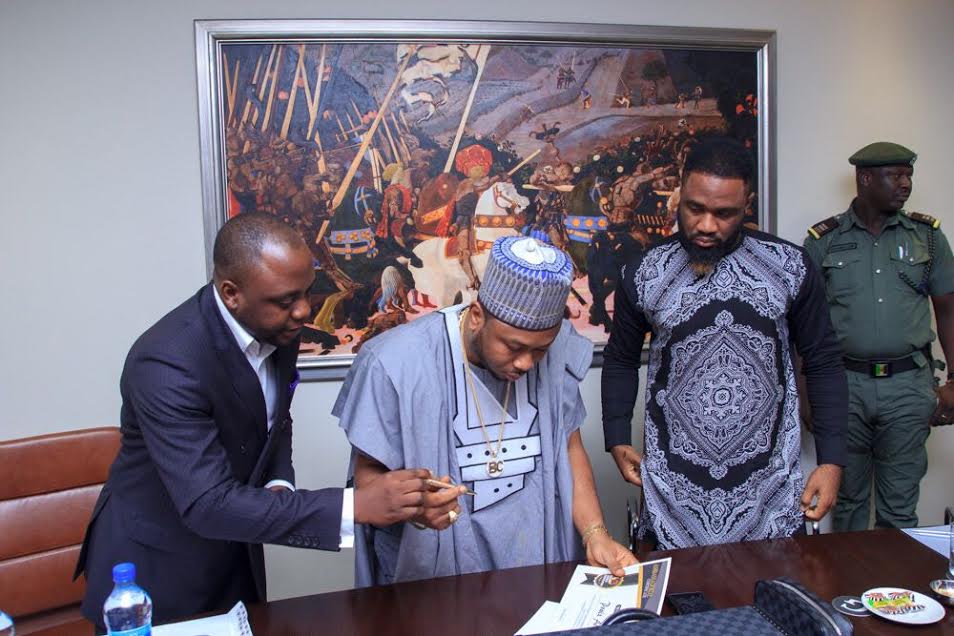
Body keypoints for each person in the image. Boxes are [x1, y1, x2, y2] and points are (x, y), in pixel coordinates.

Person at [75, 213, 430, 629]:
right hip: (158, 571)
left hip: (234, 549)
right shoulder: (166, 364)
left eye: (307, 292)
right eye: (286, 300)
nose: (303, 311)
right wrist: (356, 505)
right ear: (231, 293)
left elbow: (275, 422)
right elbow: (207, 504)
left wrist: (278, 486)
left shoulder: (276, 329)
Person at [335, 235, 637, 586]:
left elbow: (569, 448)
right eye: (513, 346)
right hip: (438, 582)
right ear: (477, 316)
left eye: (540, 350)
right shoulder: (394, 362)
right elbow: (368, 481)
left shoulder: (557, 353)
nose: (526, 363)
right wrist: (417, 507)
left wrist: (596, 533)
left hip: (533, 568)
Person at [602, 137, 847, 549]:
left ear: (747, 204)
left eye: (724, 213)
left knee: (772, 586)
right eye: (694, 208)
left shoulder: (789, 267)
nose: (706, 225)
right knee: (679, 589)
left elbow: (822, 360)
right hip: (674, 491)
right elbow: (621, 359)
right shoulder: (643, 272)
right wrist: (616, 435)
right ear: (679, 193)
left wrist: (832, 459)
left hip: (768, 489)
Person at [803, 142, 954, 531]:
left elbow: (948, 310)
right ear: (865, 178)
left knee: (899, 508)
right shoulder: (824, 240)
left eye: (909, 176)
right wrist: (806, 395)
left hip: (908, 387)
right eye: (896, 176)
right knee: (847, 501)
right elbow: (804, 326)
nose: (905, 184)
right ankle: (850, 574)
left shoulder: (927, 237)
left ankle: (897, 574)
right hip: (844, 386)